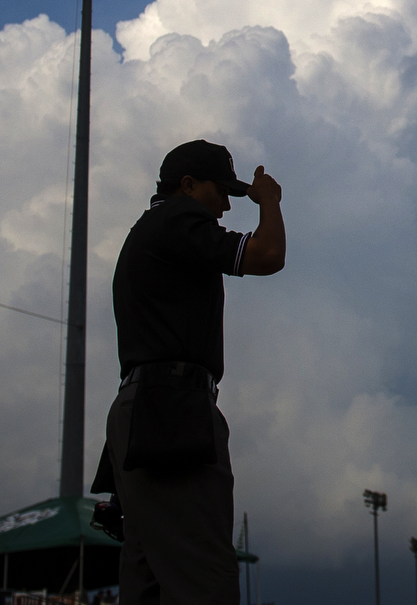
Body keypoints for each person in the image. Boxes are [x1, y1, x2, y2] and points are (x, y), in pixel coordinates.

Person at [106, 139, 287, 605]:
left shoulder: (150, 228)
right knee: (203, 579)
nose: (228, 205)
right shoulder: (176, 217)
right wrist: (268, 201)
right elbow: (268, 256)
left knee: (148, 579)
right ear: (187, 186)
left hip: (145, 405)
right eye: (221, 191)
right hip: (172, 405)